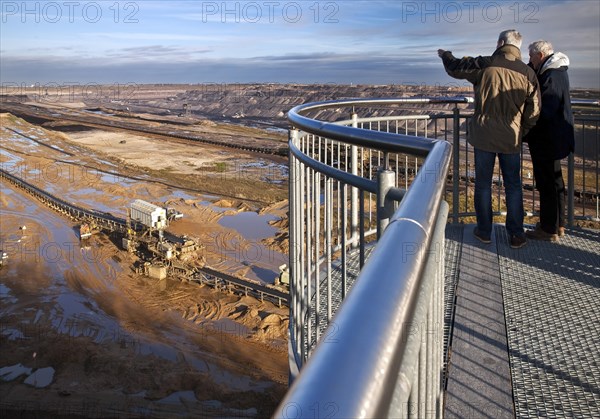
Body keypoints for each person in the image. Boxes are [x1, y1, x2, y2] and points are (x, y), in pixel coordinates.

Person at [438, 29, 540, 249]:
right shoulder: (528, 73)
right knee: (513, 186)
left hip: (483, 135)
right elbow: (534, 111)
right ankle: (516, 234)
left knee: (483, 184)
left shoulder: (485, 64)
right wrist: (521, 130)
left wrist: (445, 54)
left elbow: (455, 68)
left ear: (501, 42)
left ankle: (484, 231)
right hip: (511, 138)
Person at [524, 40, 574, 241]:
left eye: (531, 57)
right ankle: (558, 224)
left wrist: (528, 126)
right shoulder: (557, 71)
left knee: (546, 183)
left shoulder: (550, 75)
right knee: (555, 181)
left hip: (547, 138)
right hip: (556, 137)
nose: (530, 60)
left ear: (541, 56)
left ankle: (548, 228)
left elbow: (546, 109)